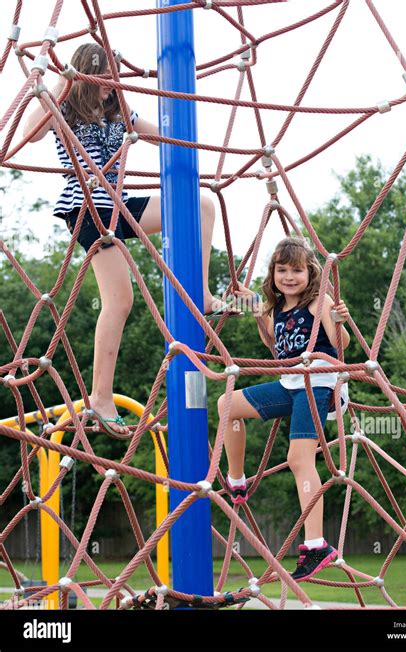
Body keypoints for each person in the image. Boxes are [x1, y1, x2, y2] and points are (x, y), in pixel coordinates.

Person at [23, 43, 225, 439]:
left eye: (112, 77)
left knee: (200, 205)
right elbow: (30, 134)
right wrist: (47, 85)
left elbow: (165, 136)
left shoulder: (119, 112)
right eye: (102, 76)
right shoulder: (65, 107)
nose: (108, 84)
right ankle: (100, 396)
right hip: (88, 208)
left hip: (118, 203)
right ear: (84, 74)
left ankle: (200, 292)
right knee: (120, 300)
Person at [217, 236, 351, 581]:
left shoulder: (319, 301)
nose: (289, 277)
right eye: (282, 270)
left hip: (319, 384)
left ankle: (316, 544)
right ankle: (237, 479)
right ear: (273, 273)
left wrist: (338, 320)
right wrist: (250, 308)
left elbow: (340, 345)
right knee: (226, 404)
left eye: (296, 270)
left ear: (310, 274)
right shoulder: (274, 309)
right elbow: (273, 341)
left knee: (298, 459)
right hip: (290, 384)